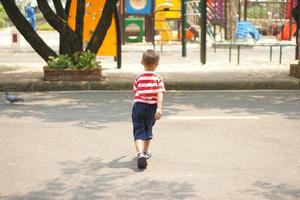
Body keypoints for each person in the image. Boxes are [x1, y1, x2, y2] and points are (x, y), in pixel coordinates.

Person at [132, 49, 165, 169]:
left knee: (138, 130)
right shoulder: (158, 78)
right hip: (152, 108)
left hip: (139, 106)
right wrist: (159, 108)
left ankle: (140, 153)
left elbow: (135, 92)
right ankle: (145, 151)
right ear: (157, 64)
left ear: (142, 62)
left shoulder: (138, 77)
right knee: (148, 129)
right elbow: (159, 93)